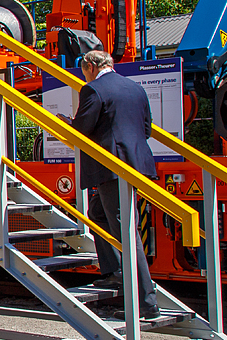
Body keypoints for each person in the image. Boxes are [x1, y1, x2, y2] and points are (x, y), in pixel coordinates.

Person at [68, 50, 160, 320]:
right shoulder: (134, 88)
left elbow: (81, 130)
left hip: (111, 169)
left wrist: (67, 125)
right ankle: (115, 272)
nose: (83, 75)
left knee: (125, 232)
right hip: (135, 165)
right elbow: (146, 130)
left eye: (84, 69)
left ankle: (146, 302)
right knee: (97, 214)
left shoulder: (93, 90)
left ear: (92, 66)